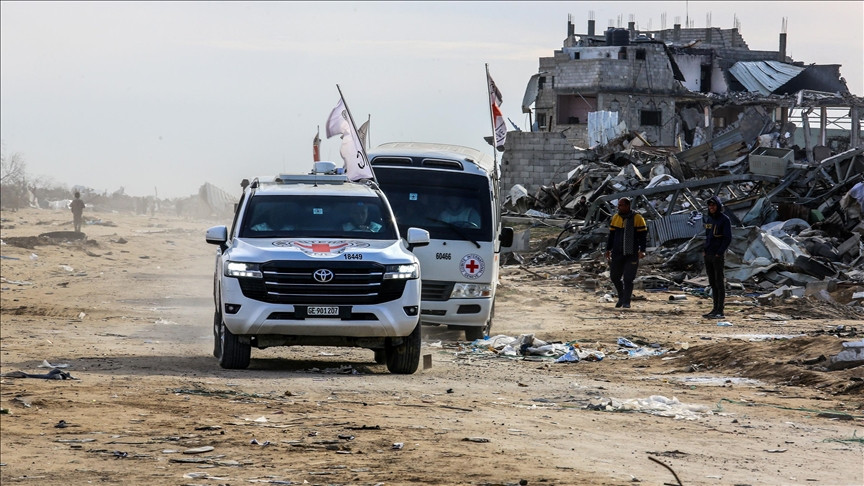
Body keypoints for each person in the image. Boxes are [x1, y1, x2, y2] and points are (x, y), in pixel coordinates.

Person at [604, 197, 647, 308]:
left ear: (627, 206)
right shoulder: (616, 217)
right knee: (614, 276)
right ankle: (621, 296)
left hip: (631, 253)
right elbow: (611, 236)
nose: (619, 207)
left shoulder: (637, 218)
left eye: (621, 205)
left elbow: (643, 236)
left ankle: (626, 301)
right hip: (617, 252)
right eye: (618, 205)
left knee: (628, 278)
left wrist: (642, 250)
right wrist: (608, 250)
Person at [702, 196, 733, 318]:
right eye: (710, 206)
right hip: (708, 254)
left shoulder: (724, 220)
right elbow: (707, 236)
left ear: (718, 206)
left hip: (717, 255)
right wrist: (705, 251)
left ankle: (720, 310)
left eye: (713, 205)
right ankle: (714, 309)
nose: (711, 208)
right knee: (712, 282)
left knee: (719, 282)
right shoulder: (710, 219)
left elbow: (727, 238)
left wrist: (719, 253)